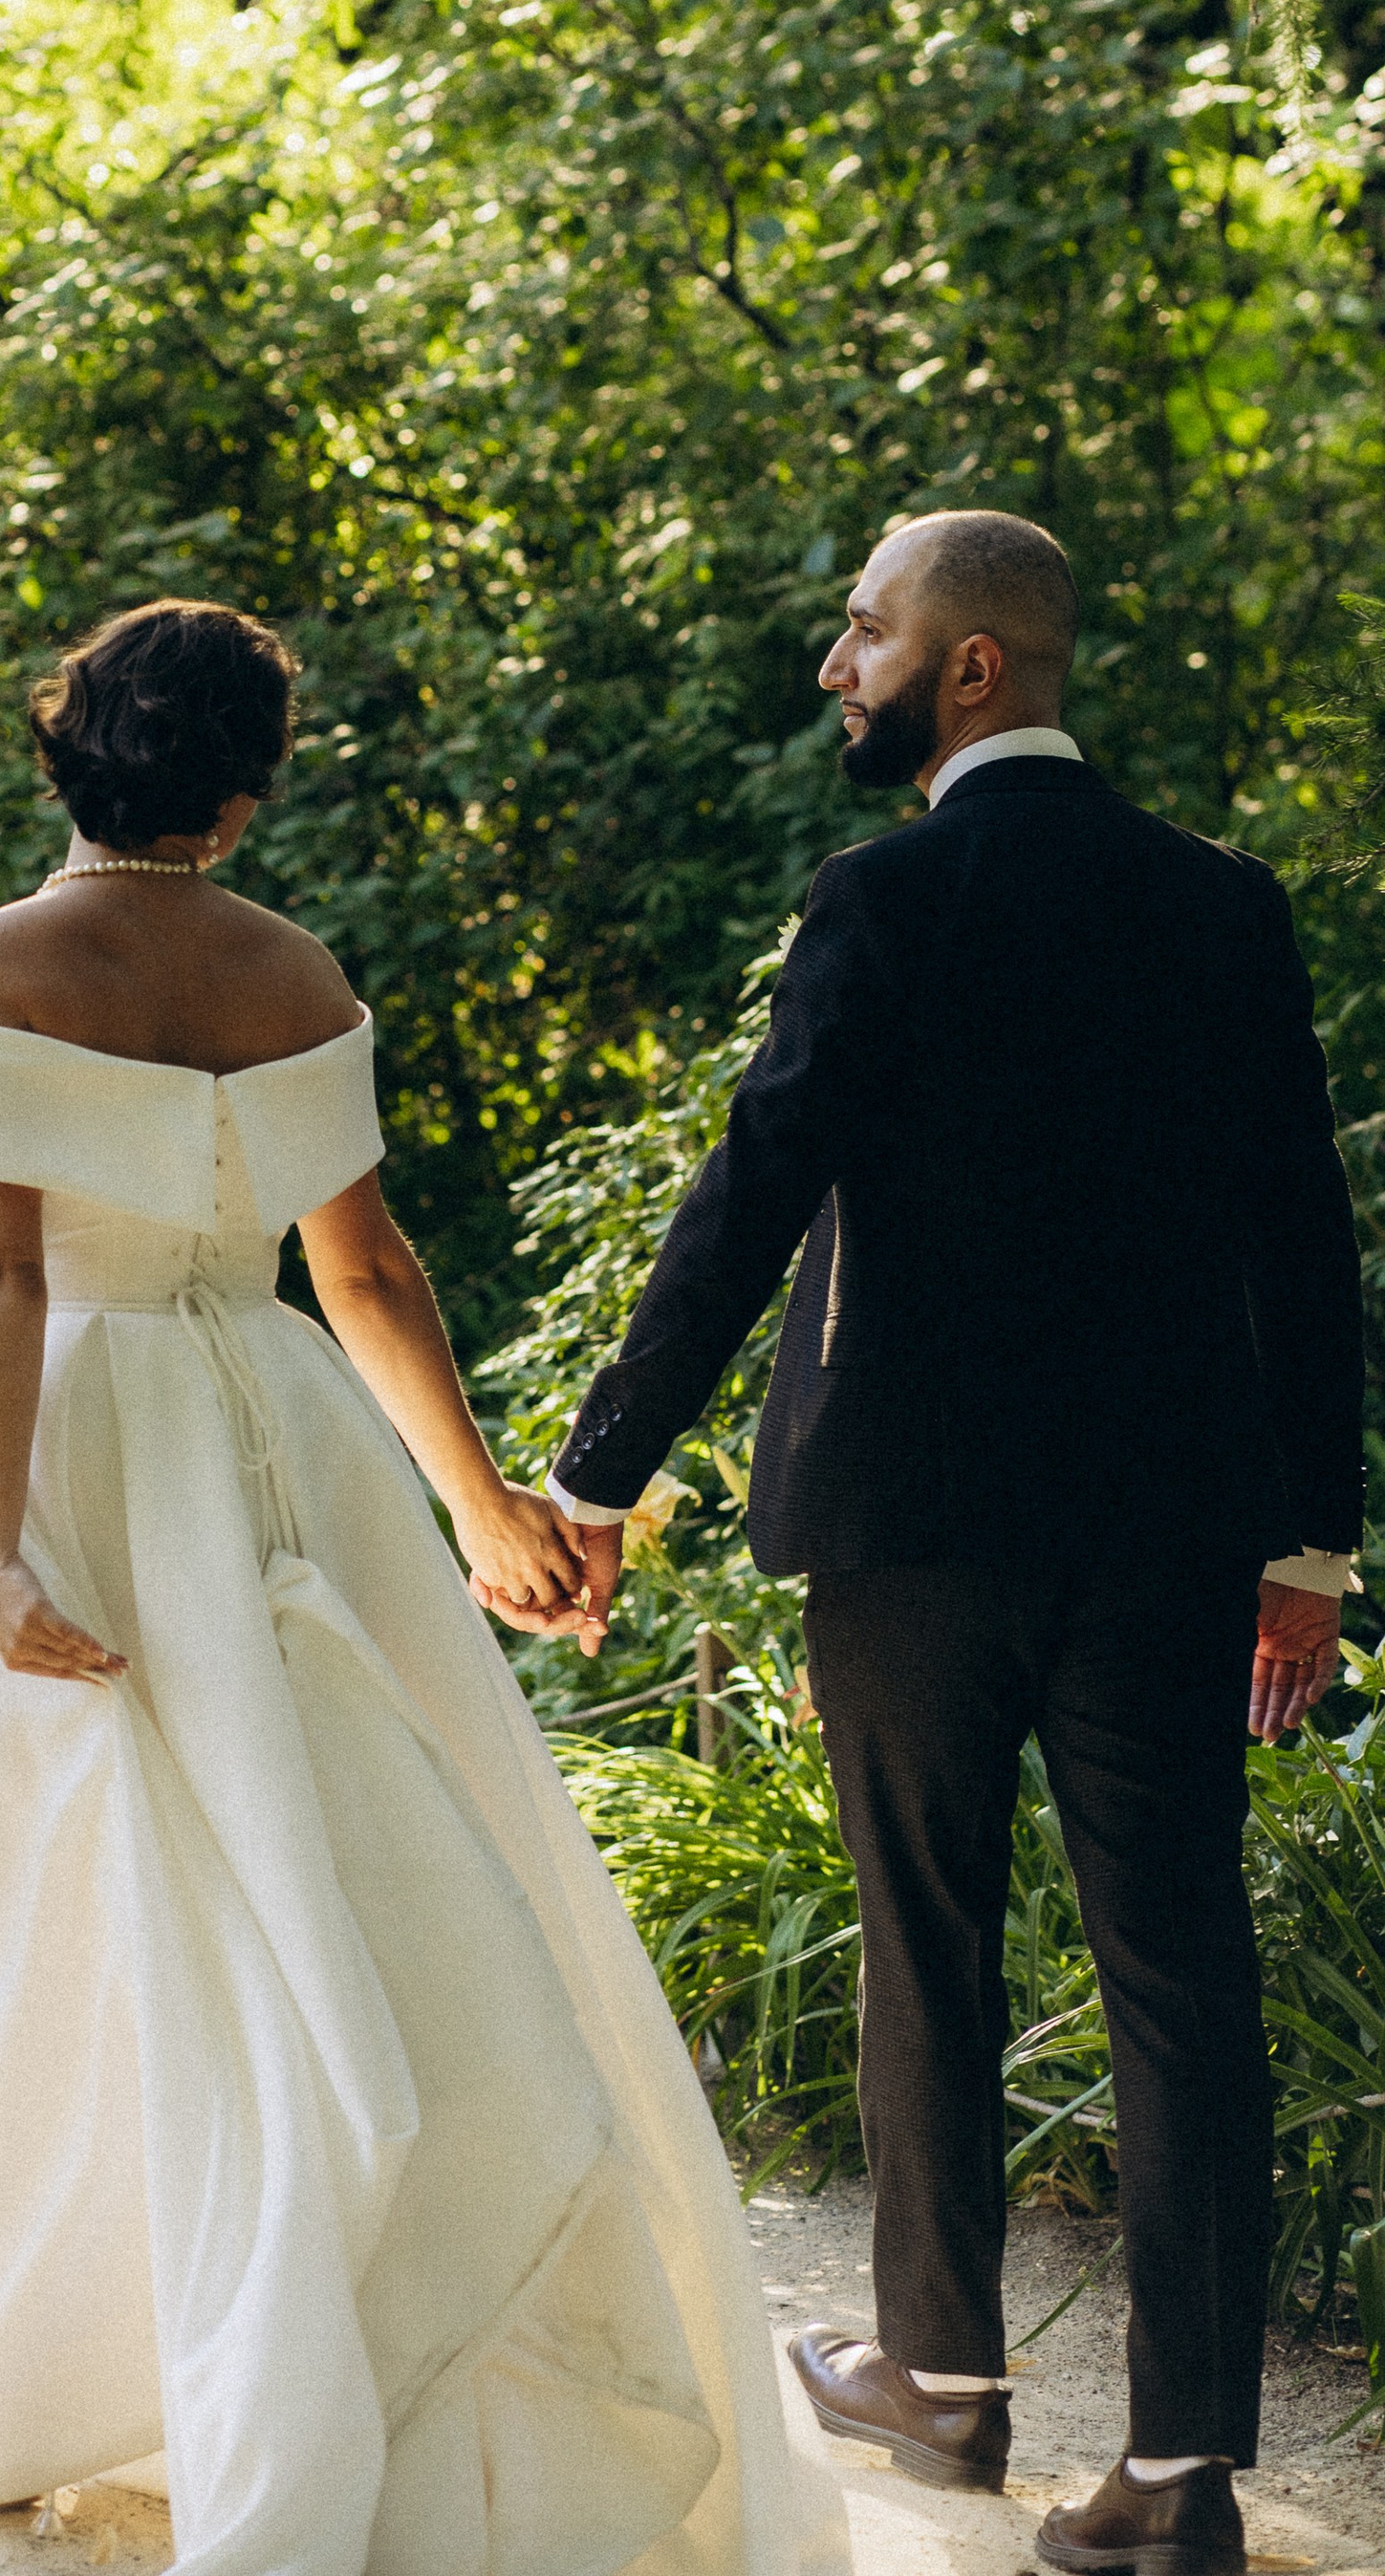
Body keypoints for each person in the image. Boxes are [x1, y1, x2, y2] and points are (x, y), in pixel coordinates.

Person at [0, 598, 844, 2576]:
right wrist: (480, 1501)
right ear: (242, 793)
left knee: (81, 1918)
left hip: (74, 1437)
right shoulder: (288, 966)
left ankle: (111, 2368)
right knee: (318, 1883)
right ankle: (287, 2332)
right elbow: (367, 1274)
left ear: (64, 742)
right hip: (279, 1427)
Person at [495, 511, 1365, 2576]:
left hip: (907, 1530)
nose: (834, 663)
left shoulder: (878, 899)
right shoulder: (1219, 907)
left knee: (924, 1936)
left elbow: (748, 1197)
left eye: (864, 628)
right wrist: (1307, 1548)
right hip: (1164, 1532)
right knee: (1180, 1974)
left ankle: (940, 2379)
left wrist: (592, 1478)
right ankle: (1174, 2482)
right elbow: (1299, 1244)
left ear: (966, 669)